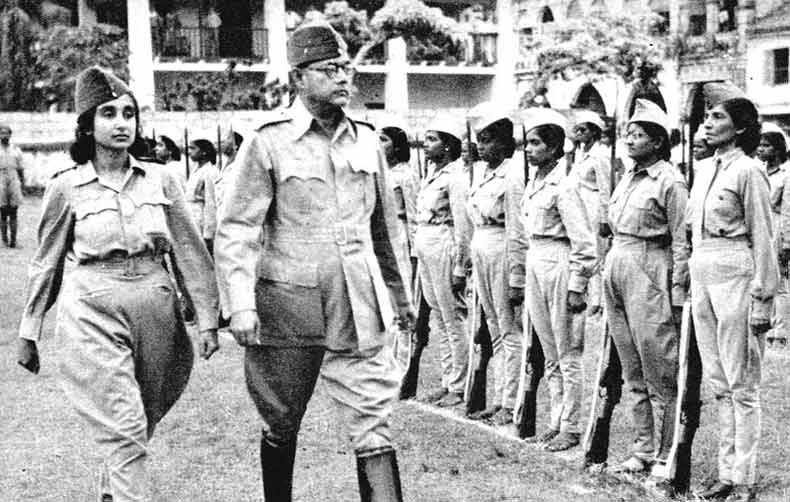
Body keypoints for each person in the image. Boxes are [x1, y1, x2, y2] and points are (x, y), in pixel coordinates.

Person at [214, 23, 413, 501]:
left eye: (346, 68)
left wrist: (401, 298)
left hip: (359, 305)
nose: (343, 78)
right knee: (281, 419)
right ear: (298, 78)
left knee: (373, 423)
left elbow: (384, 231)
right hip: (287, 308)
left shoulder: (367, 140)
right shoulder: (267, 141)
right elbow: (237, 229)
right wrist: (240, 305)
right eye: (329, 70)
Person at [15, 66, 219, 502]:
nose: (121, 122)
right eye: (108, 113)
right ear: (87, 125)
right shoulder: (67, 187)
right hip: (93, 310)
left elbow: (189, 253)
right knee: (124, 427)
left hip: (156, 311)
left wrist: (207, 320)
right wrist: (28, 332)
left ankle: (112, 495)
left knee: (139, 421)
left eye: (128, 113)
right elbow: (45, 264)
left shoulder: (163, 179)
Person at [688, 92, 776, 502]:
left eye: (717, 116)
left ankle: (744, 477)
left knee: (742, 383)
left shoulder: (749, 171)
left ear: (739, 127)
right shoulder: (704, 169)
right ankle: (725, 473)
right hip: (703, 270)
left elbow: (764, 237)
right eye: (706, 116)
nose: (707, 123)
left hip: (735, 270)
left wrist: (763, 298)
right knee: (718, 380)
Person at [604, 99, 690, 477]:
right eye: (628, 134)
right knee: (631, 367)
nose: (630, 140)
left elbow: (680, 239)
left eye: (639, 135)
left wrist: (676, 291)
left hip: (650, 265)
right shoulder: (627, 176)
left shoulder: (669, 181)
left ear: (657, 142)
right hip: (619, 262)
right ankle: (641, 448)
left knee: (660, 365)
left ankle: (666, 454)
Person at [515, 108, 596, 451]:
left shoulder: (565, 185)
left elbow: (584, 241)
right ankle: (556, 419)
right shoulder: (533, 183)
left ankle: (572, 425)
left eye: (536, 144)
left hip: (559, 260)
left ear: (553, 149)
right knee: (548, 348)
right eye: (528, 143)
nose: (529, 149)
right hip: (537, 257)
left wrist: (578, 284)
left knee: (568, 350)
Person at [466, 108, 524, 425]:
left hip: (501, 247)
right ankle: (500, 398)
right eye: (479, 141)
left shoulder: (513, 175)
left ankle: (511, 403)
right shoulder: (482, 173)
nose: (481, 147)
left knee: (509, 328)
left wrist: (517, 274)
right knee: (493, 326)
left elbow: (517, 228)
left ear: (503, 144)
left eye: (487, 141)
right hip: (482, 246)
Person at [412, 115, 471, 407]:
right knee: (437, 316)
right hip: (427, 242)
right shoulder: (432, 173)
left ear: (448, 145)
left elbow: (462, 224)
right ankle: (448, 380)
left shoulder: (456, 177)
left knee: (452, 317)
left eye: (433, 139)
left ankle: (459, 385)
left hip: (444, 243)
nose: (426, 144)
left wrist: (461, 264)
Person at [569, 110, 612, 314]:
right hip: (580, 204)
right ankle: (587, 292)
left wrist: (605, 218)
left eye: (583, 130)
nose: (579, 134)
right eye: (577, 130)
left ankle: (598, 298)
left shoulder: (600, 155)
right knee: (583, 248)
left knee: (596, 250)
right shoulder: (580, 154)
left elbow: (605, 188)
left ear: (593, 132)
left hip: (594, 205)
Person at [757, 126, 790, 348]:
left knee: (779, 282)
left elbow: (788, 209)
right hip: (760, 229)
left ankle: (780, 330)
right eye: (759, 145)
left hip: (776, 229)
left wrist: (786, 241)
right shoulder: (757, 170)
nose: (760, 149)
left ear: (777, 149)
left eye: (766, 145)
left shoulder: (786, 175)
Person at [379, 124, 419, 286]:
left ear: (396, 146)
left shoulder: (406, 175)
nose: (378, 144)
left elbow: (413, 213)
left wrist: (415, 251)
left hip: (398, 234)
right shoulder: (377, 172)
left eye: (383, 140)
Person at [185, 138, 219, 256]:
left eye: (193, 148)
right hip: (192, 218)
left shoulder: (210, 172)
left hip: (201, 220)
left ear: (204, 152)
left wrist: (208, 233)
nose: (189, 151)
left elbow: (211, 202)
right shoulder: (196, 170)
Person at [0, 124, 25, 248]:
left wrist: (22, 183)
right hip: (1, 179)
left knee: (14, 210)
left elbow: (21, 169)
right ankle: (4, 239)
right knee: (3, 211)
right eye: (2, 133)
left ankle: (14, 240)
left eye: (6, 133)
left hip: (13, 178)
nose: (4, 136)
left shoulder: (15, 149)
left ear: (10, 135)